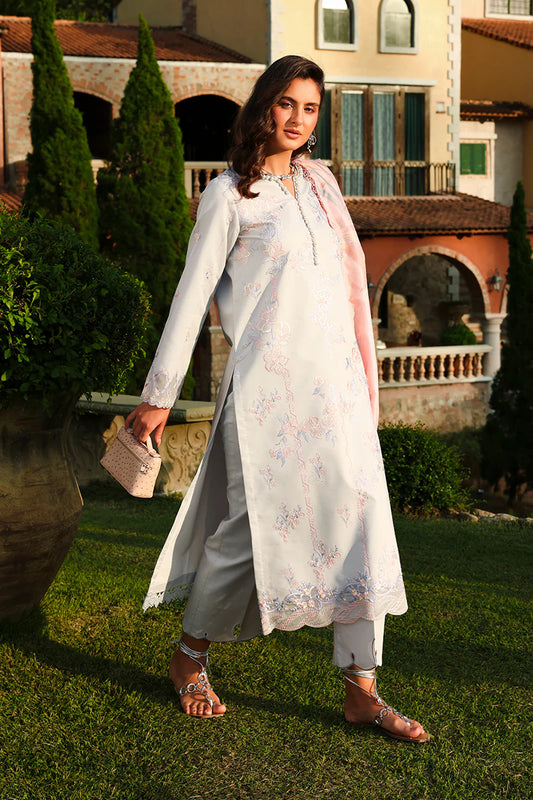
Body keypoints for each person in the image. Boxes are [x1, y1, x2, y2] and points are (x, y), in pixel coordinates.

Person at [126, 55, 430, 743]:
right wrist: (159, 395)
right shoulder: (229, 196)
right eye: (286, 103)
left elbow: (346, 287)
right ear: (263, 106)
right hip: (268, 392)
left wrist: (362, 378)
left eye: (310, 108)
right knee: (247, 529)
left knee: (360, 522)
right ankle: (189, 655)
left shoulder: (321, 185)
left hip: (338, 390)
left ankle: (361, 689)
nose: (296, 118)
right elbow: (191, 298)